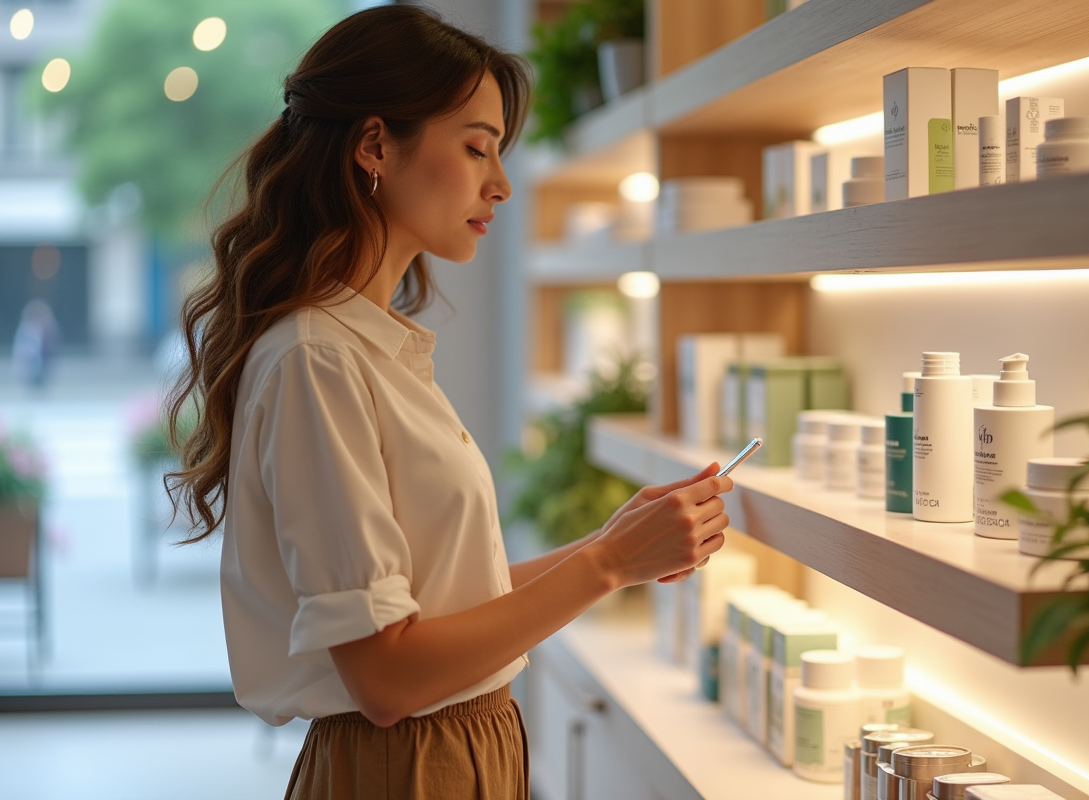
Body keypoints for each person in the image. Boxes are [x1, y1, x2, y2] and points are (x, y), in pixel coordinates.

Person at [165, 6, 732, 799]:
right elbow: (387, 677)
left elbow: (446, 599)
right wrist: (605, 565)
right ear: (373, 146)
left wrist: (611, 544)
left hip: (464, 747)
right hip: (406, 767)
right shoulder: (317, 360)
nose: (499, 183)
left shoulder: (371, 346)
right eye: (476, 149)